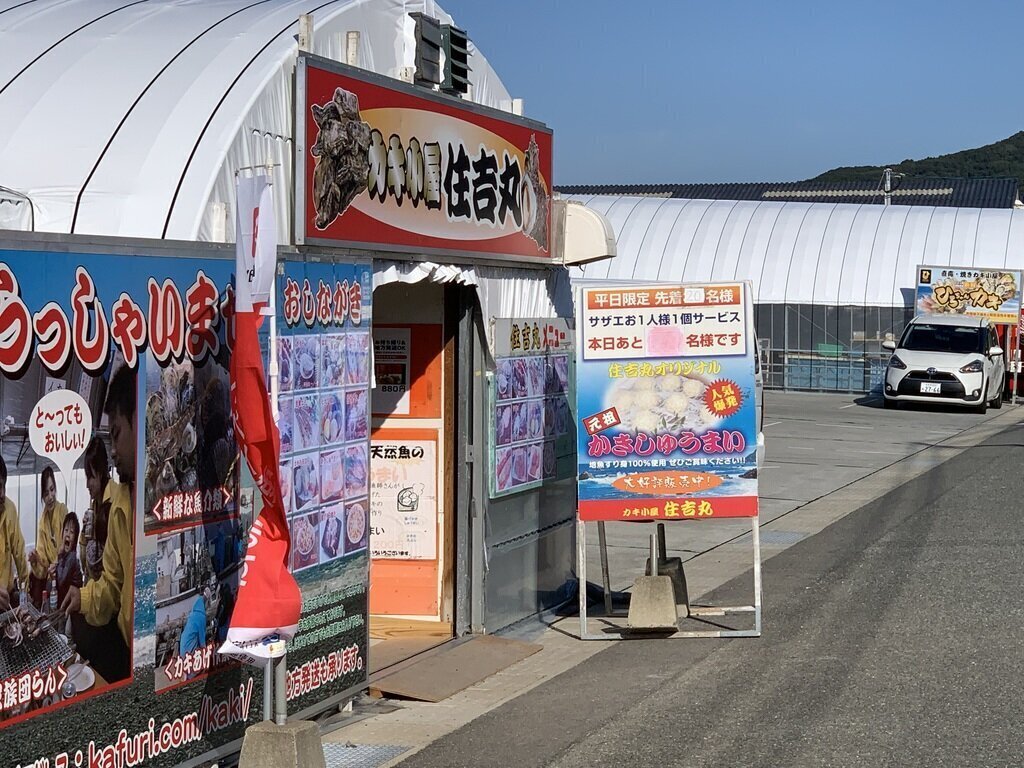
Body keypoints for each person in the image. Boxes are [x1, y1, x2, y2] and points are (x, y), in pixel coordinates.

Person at [62, 363, 136, 683]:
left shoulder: (114, 503)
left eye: (117, 433)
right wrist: (83, 597)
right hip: (126, 645)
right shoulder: (118, 504)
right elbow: (110, 582)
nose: (115, 449)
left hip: (133, 650)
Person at [28, 465, 69, 608]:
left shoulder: (63, 511)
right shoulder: (42, 523)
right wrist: (35, 560)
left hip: (66, 577)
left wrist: (56, 564)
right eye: (46, 493)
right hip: (52, 582)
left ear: (56, 489)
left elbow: (69, 546)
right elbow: (42, 568)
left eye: (52, 490)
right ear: (42, 496)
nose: (50, 497)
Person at [80, 436, 112, 583]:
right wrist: (83, 535)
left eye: (90, 477)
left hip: (107, 595)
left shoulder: (114, 504)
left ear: (101, 472)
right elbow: (85, 561)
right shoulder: (94, 506)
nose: (87, 485)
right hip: (94, 589)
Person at [0, 455, 28, 611]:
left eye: (4, 486)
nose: (2, 494)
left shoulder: (9, 508)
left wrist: (26, 590)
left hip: (8, 597)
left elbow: (19, 552)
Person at [49, 511, 82, 609]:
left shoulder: (72, 557)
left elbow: (61, 581)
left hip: (70, 606)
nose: (68, 534)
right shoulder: (64, 555)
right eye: (66, 530)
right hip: (64, 601)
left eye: (72, 532)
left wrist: (59, 557)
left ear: (75, 539)